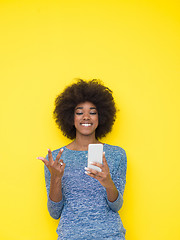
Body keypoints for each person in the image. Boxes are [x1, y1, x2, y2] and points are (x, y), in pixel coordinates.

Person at [37, 79, 127, 240]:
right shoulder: (56, 159)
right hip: (70, 236)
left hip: (110, 235)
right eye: (79, 112)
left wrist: (108, 182)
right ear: (71, 117)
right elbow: (54, 213)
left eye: (92, 112)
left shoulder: (116, 154)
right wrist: (56, 177)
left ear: (101, 117)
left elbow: (116, 205)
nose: (86, 117)